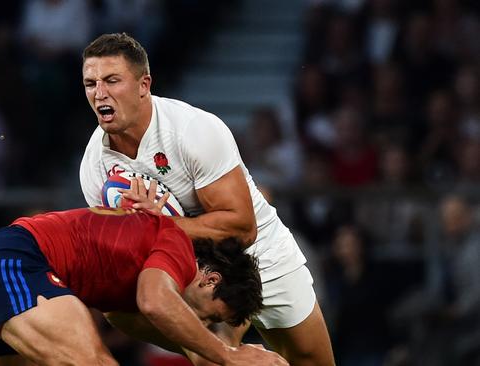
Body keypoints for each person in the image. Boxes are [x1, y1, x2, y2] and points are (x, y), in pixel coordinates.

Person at [79, 33, 335, 365]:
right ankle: (208, 350)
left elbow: (243, 228)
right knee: (116, 309)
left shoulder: (192, 131)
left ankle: (214, 351)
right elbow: (117, 256)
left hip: (258, 255)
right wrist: (138, 236)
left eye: (112, 80)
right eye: (90, 83)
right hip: (187, 269)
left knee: (312, 360)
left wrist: (159, 226)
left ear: (144, 85)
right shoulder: (94, 166)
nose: (100, 93)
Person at [0, 206, 288, 366]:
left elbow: (127, 318)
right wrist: (228, 355)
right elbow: (155, 303)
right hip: (15, 260)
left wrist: (209, 354)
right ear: (210, 279)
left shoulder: (144, 271)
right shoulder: (178, 248)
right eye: (212, 316)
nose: (203, 324)